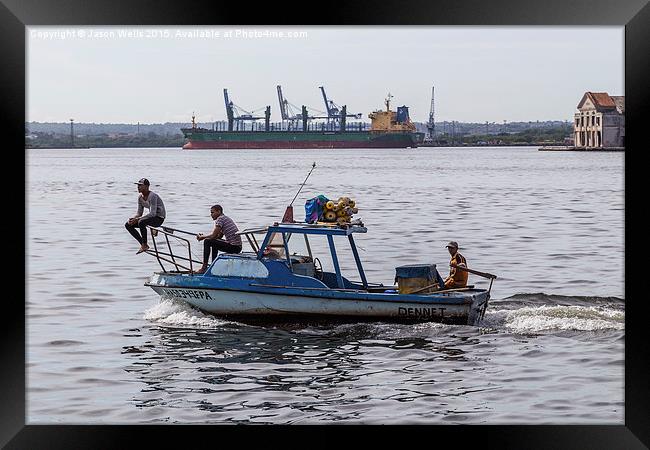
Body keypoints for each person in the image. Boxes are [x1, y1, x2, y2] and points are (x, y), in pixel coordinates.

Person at [195, 204, 242, 274]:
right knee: (213, 242)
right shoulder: (224, 218)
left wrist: (203, 237)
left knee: (207, 241)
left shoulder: (220, 219)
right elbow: (218, 237)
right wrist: (205, 236)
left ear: (219, 211)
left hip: (234, 247)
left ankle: (204, 267)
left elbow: (213, 236)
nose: (211, 215)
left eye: (212, 212)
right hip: (237, 247)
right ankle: (213, 266)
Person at [125, 178, 166, 254]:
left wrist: (137, 219)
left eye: (140, 185)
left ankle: (144, 244)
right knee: (128, 225)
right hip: (151, 218)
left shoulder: (153, 196)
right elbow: (139, 213)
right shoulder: (140, 197)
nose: (138, 187)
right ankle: (143, 244)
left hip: (159, 218)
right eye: (138, 185)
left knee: (141, 222)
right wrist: (133, 219)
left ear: (147, 187)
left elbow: (153, 213)